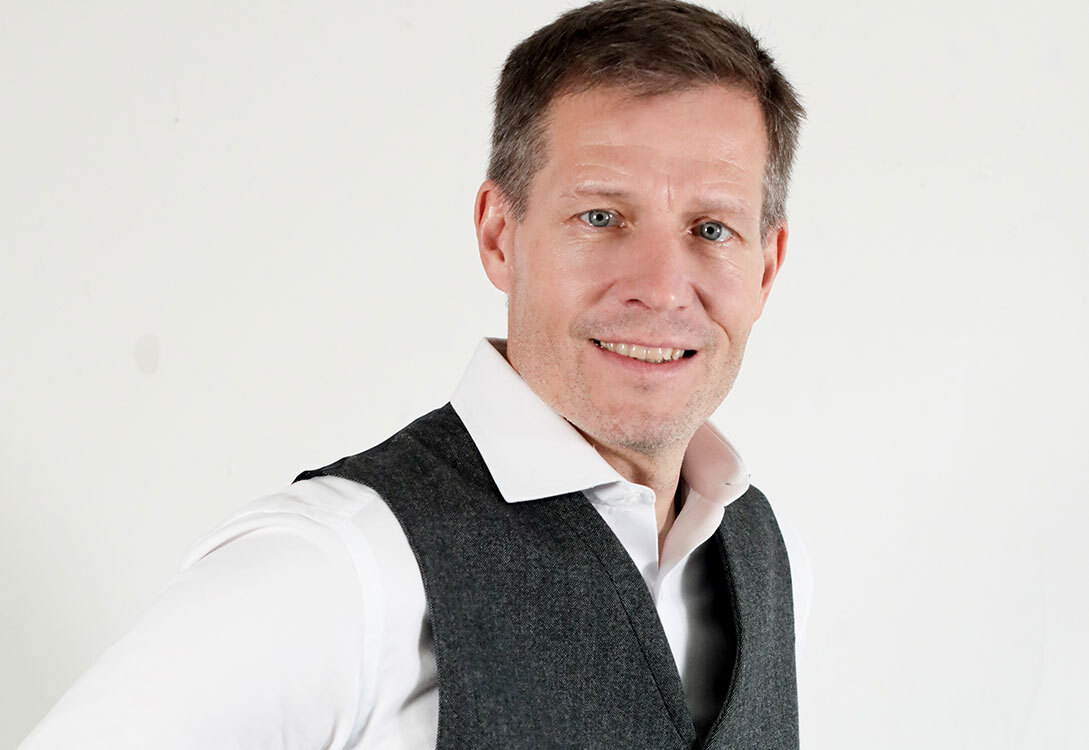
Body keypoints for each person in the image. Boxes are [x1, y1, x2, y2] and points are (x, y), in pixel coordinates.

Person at [20, 0, 809, 748]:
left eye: (712, 229)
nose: (661, 288)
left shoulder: (762, 554)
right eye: (600, 217)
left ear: (766, 267)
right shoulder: (338, 565)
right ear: (499, 236)